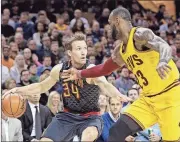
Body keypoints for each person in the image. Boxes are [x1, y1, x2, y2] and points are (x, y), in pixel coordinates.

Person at [62, 7, 180, 141]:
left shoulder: (140, 34)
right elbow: (104, 69)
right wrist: (79, 73)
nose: (107, 27)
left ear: (117, 21)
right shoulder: (122, 50)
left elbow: (163, 46)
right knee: (116, 131)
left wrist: (163, 61)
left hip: (169, 96)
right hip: (148, 100)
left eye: (109, 22)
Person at [4, 33, 129, 142]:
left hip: (90, 117)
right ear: (70, 52)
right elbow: (41, 86)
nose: (83, 52)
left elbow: (105, 85)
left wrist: (118, 95)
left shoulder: (90, 70)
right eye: (79, 48)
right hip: (67, 116)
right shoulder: (59, 69)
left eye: (85, 48)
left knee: (88, 136)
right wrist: (17, 90)